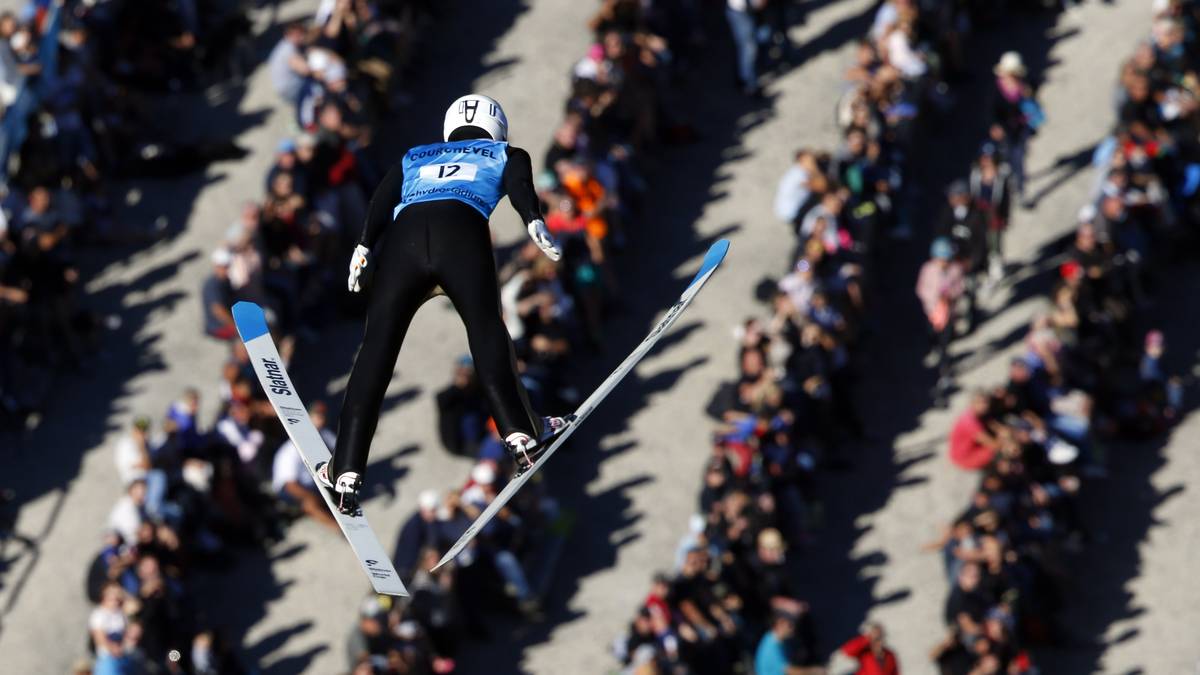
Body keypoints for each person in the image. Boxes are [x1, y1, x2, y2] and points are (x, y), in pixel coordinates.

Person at [319, 94, 567, 513]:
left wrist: (363, 244)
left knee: (376, 348)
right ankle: (520, 434)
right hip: (461, 236)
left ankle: (345, 469)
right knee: (486, 329)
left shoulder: (416, 154)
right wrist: (533, 219)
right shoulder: (505, 152)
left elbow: (381, 199)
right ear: (497, 126)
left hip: (405, 242)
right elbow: (522, 186)